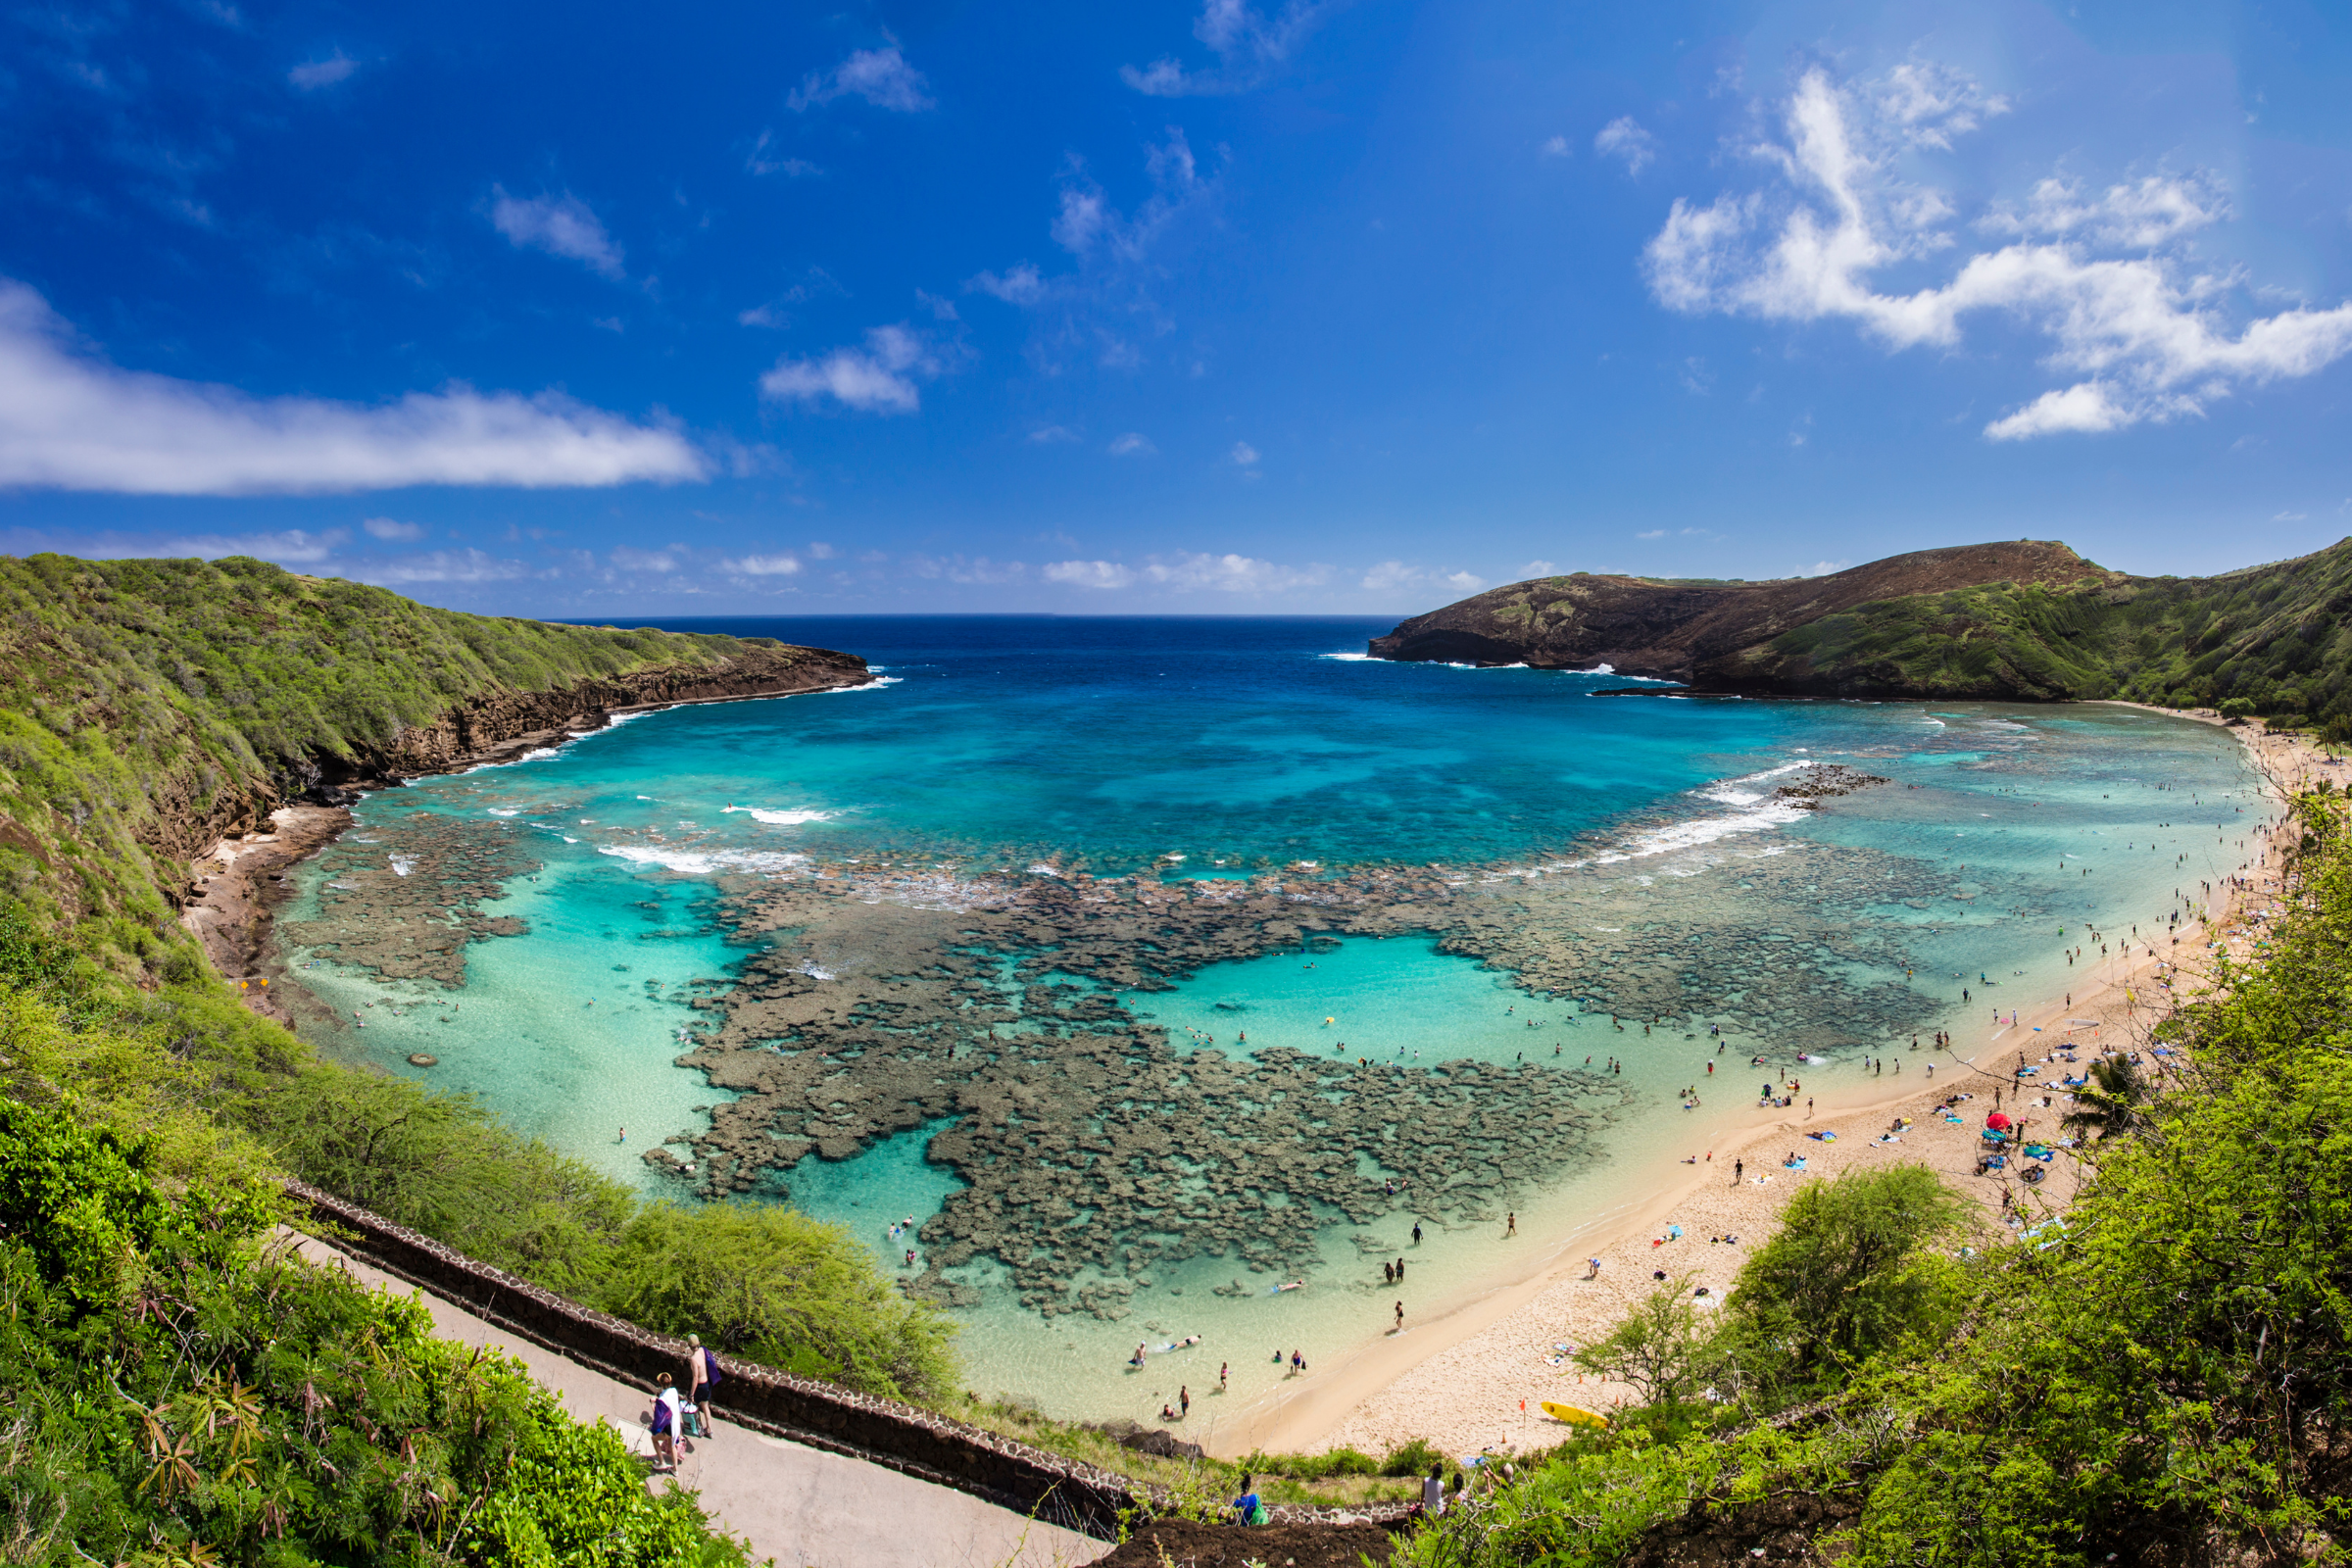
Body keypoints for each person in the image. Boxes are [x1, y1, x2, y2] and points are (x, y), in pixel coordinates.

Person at [687, 1333, 721, 1437]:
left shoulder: (693, 1359)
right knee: (705, 1406)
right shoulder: (702, 1350)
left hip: (700, 1386)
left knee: (693, 1405)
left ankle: (697, 1428)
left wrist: (691, 1394)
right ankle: (709, 1429)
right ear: (698, 1343)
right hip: (707, 1383)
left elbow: (695, 1378)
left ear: (689, 1346)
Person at [651, 1373, 681, 1471]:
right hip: (676, 1424)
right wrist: (658, 1401)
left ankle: (662, 1462)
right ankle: (675, 1469)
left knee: (654, 1439)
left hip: (668, 1427)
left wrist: (652, 1403)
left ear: (660, 1383)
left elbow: (658, 1415)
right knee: (672, 1445)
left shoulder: (662, 1399)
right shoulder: (674, 1391)